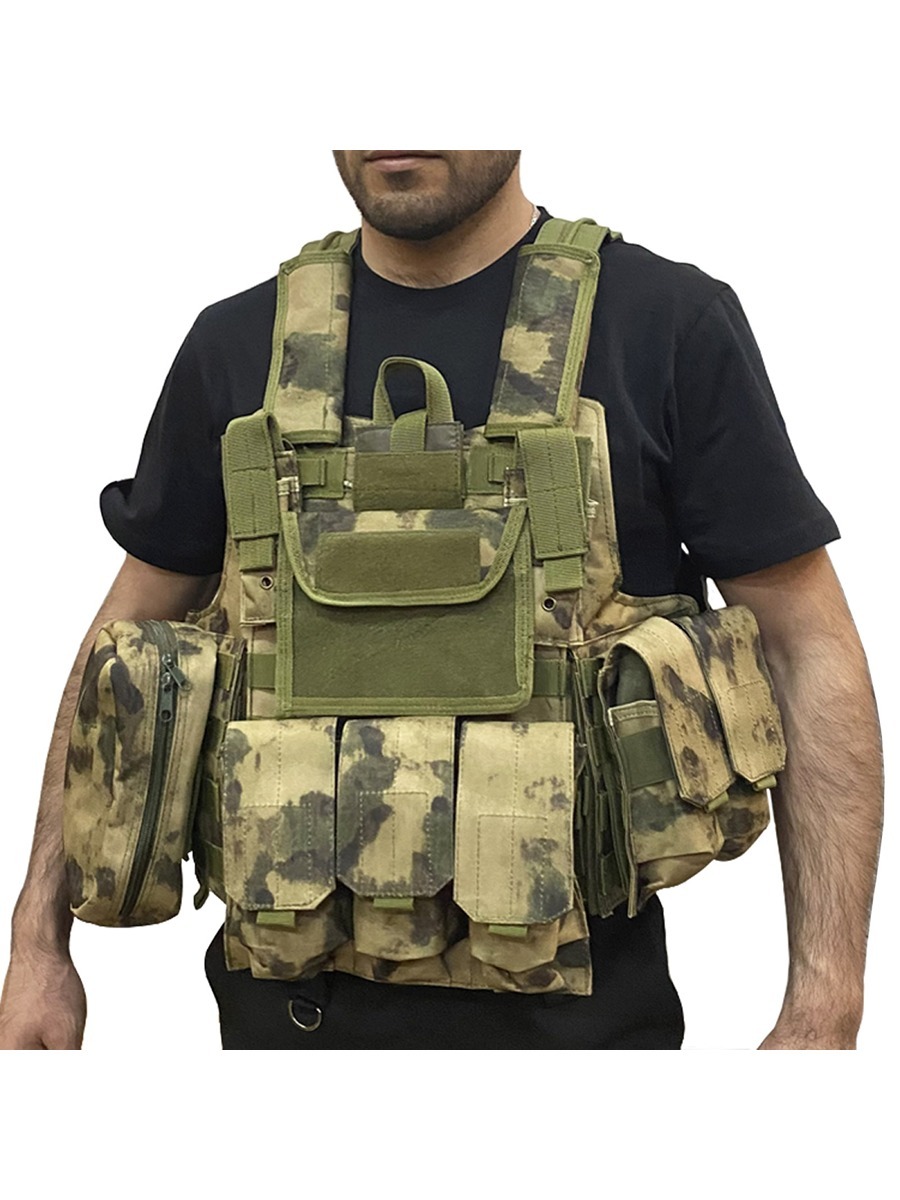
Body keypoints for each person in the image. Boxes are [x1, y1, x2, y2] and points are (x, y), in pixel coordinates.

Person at [0, 150, 882, 1050]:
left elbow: (804, 645)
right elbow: (123, 653)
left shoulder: (663, 324)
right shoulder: (238, 343)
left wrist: (826, 1006)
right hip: (286, 1028)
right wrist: (37, 942)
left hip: (581, 1044)